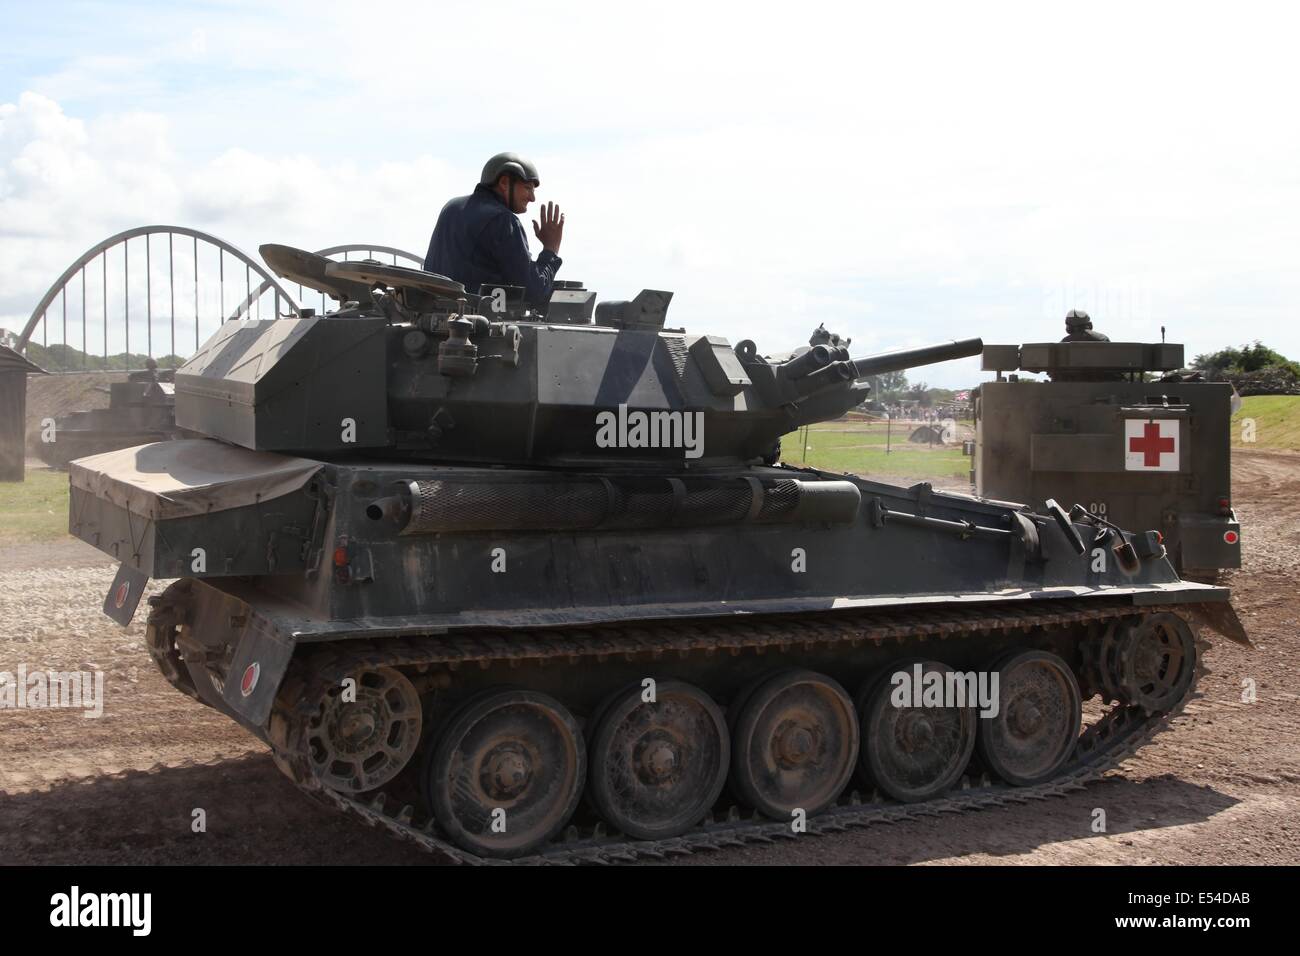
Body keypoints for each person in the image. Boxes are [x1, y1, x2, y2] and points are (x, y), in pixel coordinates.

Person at [423, 152, 565, 308]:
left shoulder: (451, 207)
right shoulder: (503, 220)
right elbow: (533, 291)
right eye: (527, 188)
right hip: (474, 323)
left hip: (432, 314)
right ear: (504, 182)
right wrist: (550, 250)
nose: (532, 198)